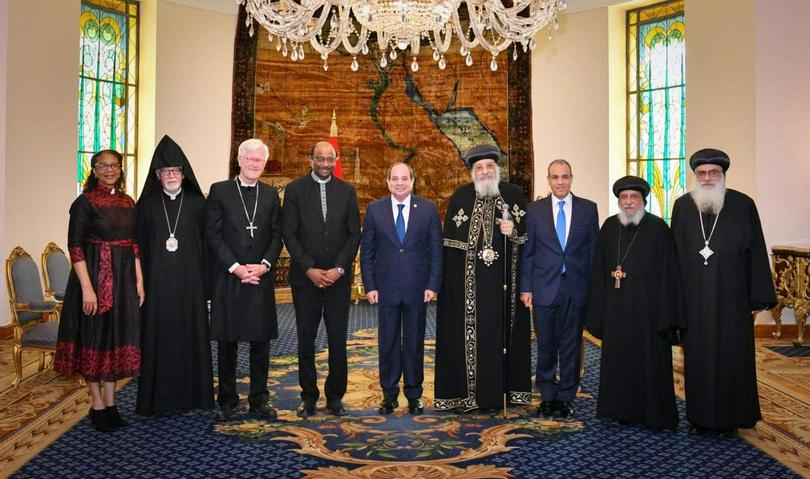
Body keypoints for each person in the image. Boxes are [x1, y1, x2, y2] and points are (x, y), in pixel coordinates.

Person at [671, 148, 777, 436]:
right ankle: (699, 418)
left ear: (723, 176)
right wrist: (673, 299)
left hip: (733, 299)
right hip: (694, 301)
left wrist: (757, 298)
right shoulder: (682, 206)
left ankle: (731, 418)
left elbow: (756, 250)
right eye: (702, 173)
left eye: (713, 173)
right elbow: (674, 256)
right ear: (695, 176)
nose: (707, 178)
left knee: (732, 358)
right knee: (698, 360)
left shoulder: (743, 205)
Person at [433, 144, 531, 412]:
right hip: (469, 291)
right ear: (472, 172)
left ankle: (506, 392)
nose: (485, 171)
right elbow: (451, 251)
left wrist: (514, 232)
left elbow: (528, 243)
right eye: (480, 168)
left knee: (502, 337)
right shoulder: (461, 197)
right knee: (470, 338)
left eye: (490, 167)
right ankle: (467, 395)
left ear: (496, 169)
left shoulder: (513, 195)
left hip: (505, 288)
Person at [54, 149, 144, 432]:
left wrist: (140, 282)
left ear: (120, 169)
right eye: (102, 165)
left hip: (124, 281)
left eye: (114, 165)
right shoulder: (84, 203)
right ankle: (96, 405)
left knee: (116, 339)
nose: (109, 170)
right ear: (93, 170)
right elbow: (75, 246)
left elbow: (135, 245)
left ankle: (111, 402)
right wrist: (87, 289)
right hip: (91, 278)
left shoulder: (129, 202)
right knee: (94, 339)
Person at [584, 176, 683, 430]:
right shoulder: (609, 227)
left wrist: (666, 313)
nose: (628, 202)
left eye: (634, 198)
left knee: (650, 361)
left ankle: (652, 412)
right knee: (619, 360)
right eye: (624, 198)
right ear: (619, 201)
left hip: (648, 312)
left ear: (643, 201)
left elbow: (669, 273)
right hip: (617, 310)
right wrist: (598, 309)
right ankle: (620, 410)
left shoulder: (658, 228)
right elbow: (598, 269)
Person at [135, 135, 214, 416]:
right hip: (157, 287)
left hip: (191, 286)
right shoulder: (145, 207)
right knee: (158, 339)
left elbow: (209, 246)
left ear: (184, 173)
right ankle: (157, 400)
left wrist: (207, 287)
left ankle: (195, 396)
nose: (170, 175)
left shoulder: (198, 204)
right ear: (157, 176)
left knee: (191, 337)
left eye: (175, 170)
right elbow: (137, 249)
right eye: (165, 171)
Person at [282, 141, 361, 417]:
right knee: (306, 338)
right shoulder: (295, 190)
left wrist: (339, 268)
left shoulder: (347, 191)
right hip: (306, 280)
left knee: (338, 338)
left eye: (330, 159)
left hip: (338, 280)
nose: (325, 164)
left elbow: (354, 234)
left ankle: (335, 396)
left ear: (336, 159)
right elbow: (289, 233)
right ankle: (308, 396)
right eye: (320, 159)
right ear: (310, 159)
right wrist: (309, 269)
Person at [206, 139, 283, 421]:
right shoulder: (220, 191)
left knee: (260, 341)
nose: (254, 164)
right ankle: (227, 399)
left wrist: (264, 265)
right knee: (228, 341)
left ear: (265, 163)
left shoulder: (271, 194)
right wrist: (237, 267)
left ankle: (259, 399)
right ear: (238, 160)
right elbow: (212, 235)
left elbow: (277, 234)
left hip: (260, 277)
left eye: (259, 160)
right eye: (250, 159)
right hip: (230, 277)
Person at [360, 162, 442, 416]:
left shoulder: (428, 209)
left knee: (415, 343)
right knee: (388, 342)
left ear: (412, 181)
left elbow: (436, 251)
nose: (399, 183)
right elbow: (367, 252)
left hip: (418, 289)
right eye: (394, 178)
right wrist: (370, 285)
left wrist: (433, 284)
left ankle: (414, 394)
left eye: (404, 178)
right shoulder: (375, 209)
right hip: (385, 289)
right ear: (387, 182)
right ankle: (389, 394)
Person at [520, 159, 599, 418]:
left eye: (565, 176)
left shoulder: (588, 209)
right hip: (543, 289)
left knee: (571, 345)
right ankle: (546, 394)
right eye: (555, 177)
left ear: (571, 178)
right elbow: (528, 254)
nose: (560, 182)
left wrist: (592, 290)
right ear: (549, 179)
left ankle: (566, 396)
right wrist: (526, 288)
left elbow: (592, 253)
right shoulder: (534, 211)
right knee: (545, 344)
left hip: (575, 289)